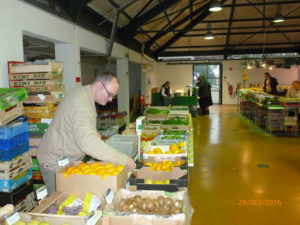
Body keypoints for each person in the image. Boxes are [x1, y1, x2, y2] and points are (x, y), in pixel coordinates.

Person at [37, 71, 136, 195]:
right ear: (100, 85)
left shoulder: (83, 94)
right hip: (55, 162)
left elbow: (77, 124)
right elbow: (88, 144)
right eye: (110, 94)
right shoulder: (82, 103)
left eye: (113, 96)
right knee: (62, 203)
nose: (110, 100)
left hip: (68, 159)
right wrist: (123, 159)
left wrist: (92, 132)